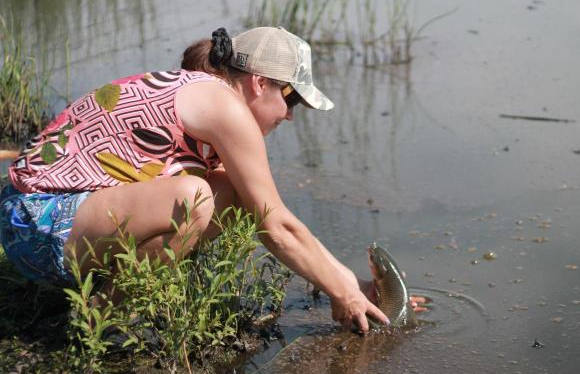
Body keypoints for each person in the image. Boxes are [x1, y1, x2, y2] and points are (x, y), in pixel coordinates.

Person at [0, 26, 423, 333]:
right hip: (33, 222)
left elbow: (270, 217)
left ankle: (103, 305)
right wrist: (340, 292)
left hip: (53, 223)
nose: (291, 114)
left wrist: (355, 287)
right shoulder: (225, 107)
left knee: (227, 191)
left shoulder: (207, 97)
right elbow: (277, 228)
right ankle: (99, 320)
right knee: (195, 197)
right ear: (258, 83)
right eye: (290, 97)